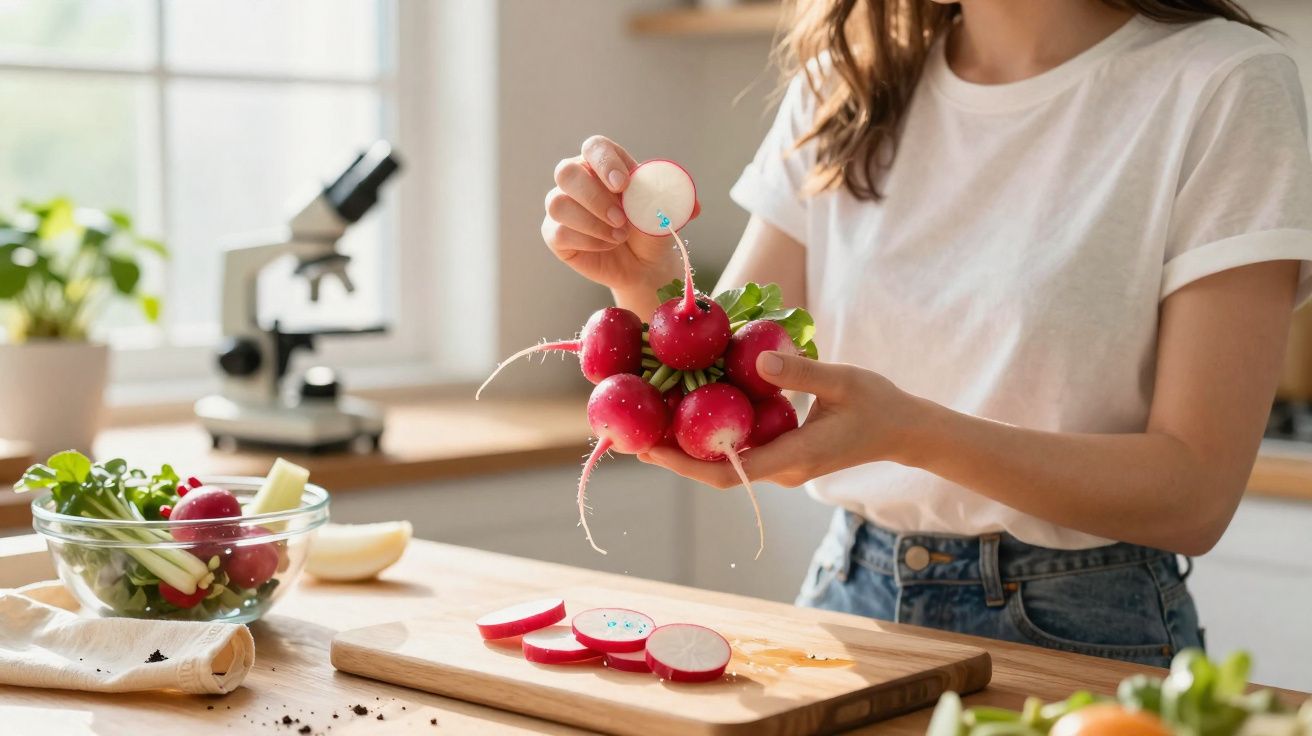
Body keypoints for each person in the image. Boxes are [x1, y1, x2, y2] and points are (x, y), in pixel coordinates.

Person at [540, 0, 1312, 666]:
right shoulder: (841, 85)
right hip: (850, 598)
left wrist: (909, 433)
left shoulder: (1223, 84)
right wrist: (637, 275)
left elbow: (1196, 494)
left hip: (1085, 627)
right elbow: (730, 370)